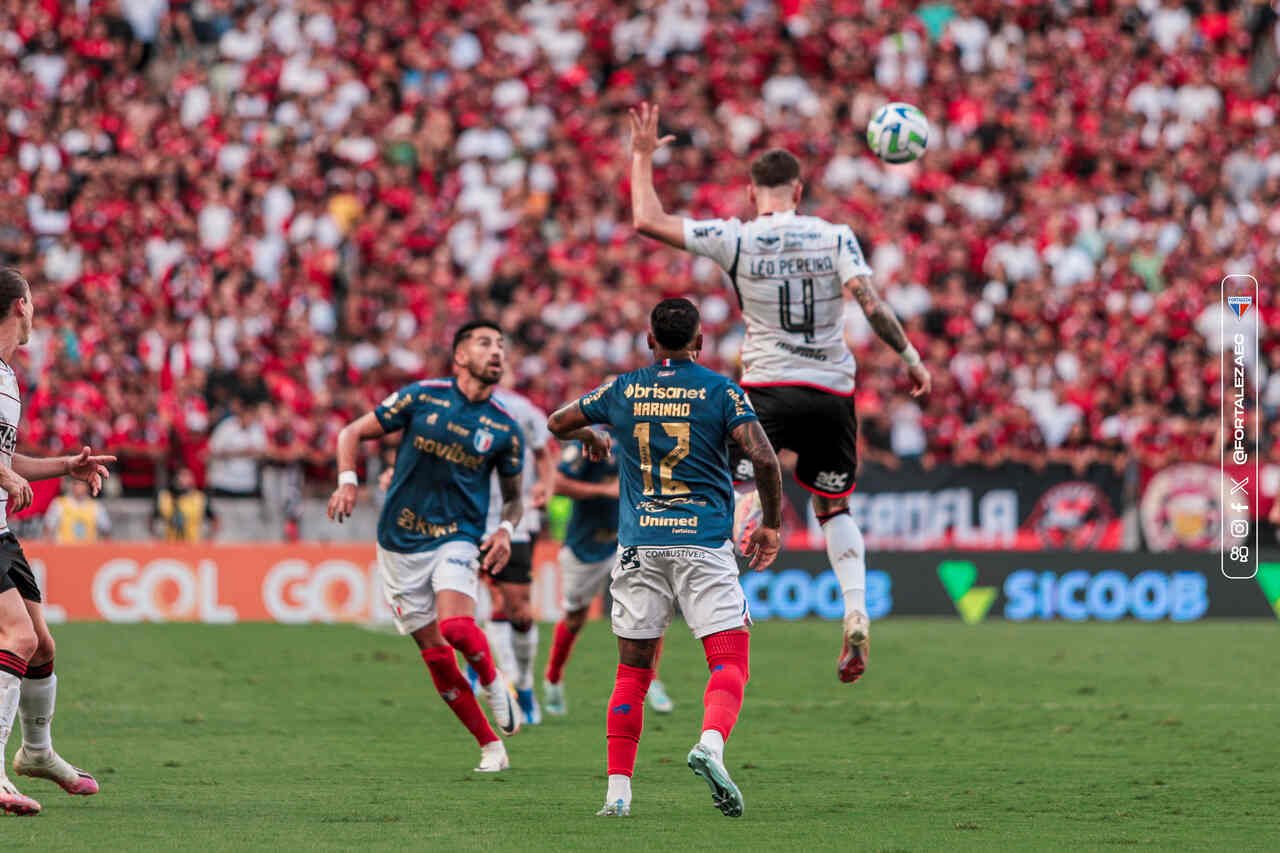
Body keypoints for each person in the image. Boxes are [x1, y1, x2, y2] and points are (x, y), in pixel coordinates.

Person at [627, 102, 933, 684]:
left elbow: (649, 221)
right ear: (800, 189)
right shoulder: (835, 235)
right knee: (833, 507)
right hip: (830, 390)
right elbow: (871, 305)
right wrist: (911, 358)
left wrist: (642, 156)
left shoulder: (736, 238)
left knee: (729, 481)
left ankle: (737, 543)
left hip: (766, 387)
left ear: (751, 193)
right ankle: (856, 609)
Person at [547, 298, 783, 818]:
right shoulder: (722, 391)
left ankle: (617, 794)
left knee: (631, 672)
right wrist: (770, 523)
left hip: (640, 548)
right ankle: (711, 744)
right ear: (700, 341)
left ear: (650, 342)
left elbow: (558, 421)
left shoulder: (622, 388)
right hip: (702, 544)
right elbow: (764, 457)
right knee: (729, 661)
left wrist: (592, 435)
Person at [326, 320, 524, 773]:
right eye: (484, 342)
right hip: (398, 542)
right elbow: (350, 433)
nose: (496, 351)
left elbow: (513, 500)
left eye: (500, 344)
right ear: (459, 356)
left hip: (456, 536)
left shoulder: (505, 428)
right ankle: (490, 746)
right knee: (436, 657)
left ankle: (494, 683)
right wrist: (348, 481)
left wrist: (505, 531)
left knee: (457, 628)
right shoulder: (422, 396)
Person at [0, 268, 114, 815]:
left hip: (0, 530)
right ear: (21, 305)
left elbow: (7, 458)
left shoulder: (9, 378)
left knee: (42, 646)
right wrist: (2, 477)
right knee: (16, 637)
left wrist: (62, 466)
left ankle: (36, 753)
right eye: (35, 305)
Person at [542, 427, 675, 717]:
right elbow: (559, 483)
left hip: (631, 539)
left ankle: (650, 679)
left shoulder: (650, 440)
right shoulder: (592, 442)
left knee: (650, 612)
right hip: (587, 544)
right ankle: (553, 679)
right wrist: (604, 489)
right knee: (575, 617)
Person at [480, 383, 555, 725]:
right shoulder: (451, 407)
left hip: (515, 518)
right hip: (469, 517)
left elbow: (543, 455)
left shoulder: (522, 410)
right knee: (491, 600)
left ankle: (523, 681)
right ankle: (504, 678)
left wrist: (546, 485)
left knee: (520, 611)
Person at [206, 398, 267, 498]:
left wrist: (253, 453)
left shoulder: (257, 429)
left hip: (247, 485)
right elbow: (212, 451)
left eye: (252, 415)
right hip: (223, 483)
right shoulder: (226, 427)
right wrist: (240, 452)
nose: (249, 418)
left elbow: (263, 453)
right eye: (247, 414)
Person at [152, 467, 219, 542]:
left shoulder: (199, 498)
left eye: (186, 476)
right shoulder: (165, 497)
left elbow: (214, 520)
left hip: (193, 544)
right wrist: (157, 537)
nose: (183, 479)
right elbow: (152, 519)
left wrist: (208, 538)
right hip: (170, 543)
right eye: (181, 475)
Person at [43, 479, 110, 544]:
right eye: (76, 484)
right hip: (64, 550)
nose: (78, 487)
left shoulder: (96, 507)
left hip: (89, 551)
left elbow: (106, 531)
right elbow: (48, 528)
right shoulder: (59, 503)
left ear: (87, 487)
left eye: (82, 484)